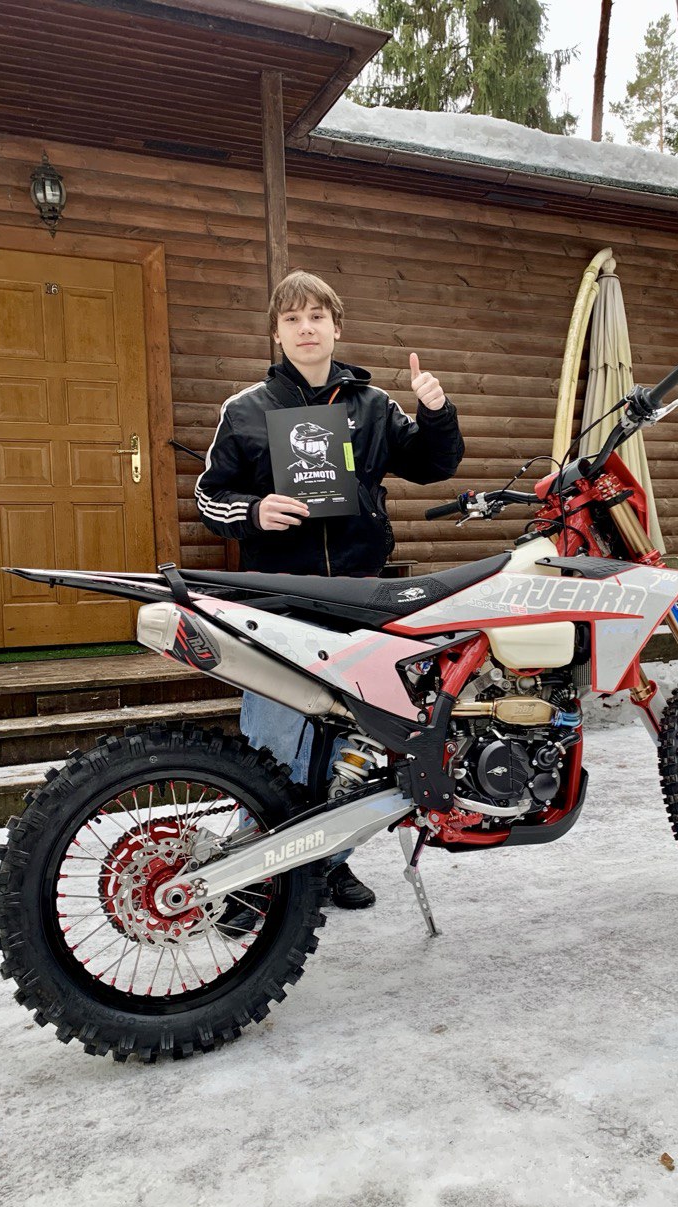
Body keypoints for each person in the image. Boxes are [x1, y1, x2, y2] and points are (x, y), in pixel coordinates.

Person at [195, 270, 465, 908]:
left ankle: (330, 863)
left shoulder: (371, 406)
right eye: (292, 319)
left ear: (336, 327)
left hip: (356, 597)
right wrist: (253, 511)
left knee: (348, 738)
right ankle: (254, 876)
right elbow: (210, 497)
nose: (306, 328)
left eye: (317, 316)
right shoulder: (245, 410)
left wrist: (435, 412)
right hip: (276, 601)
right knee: (271, 735)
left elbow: (434, 465)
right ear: (277, 333)